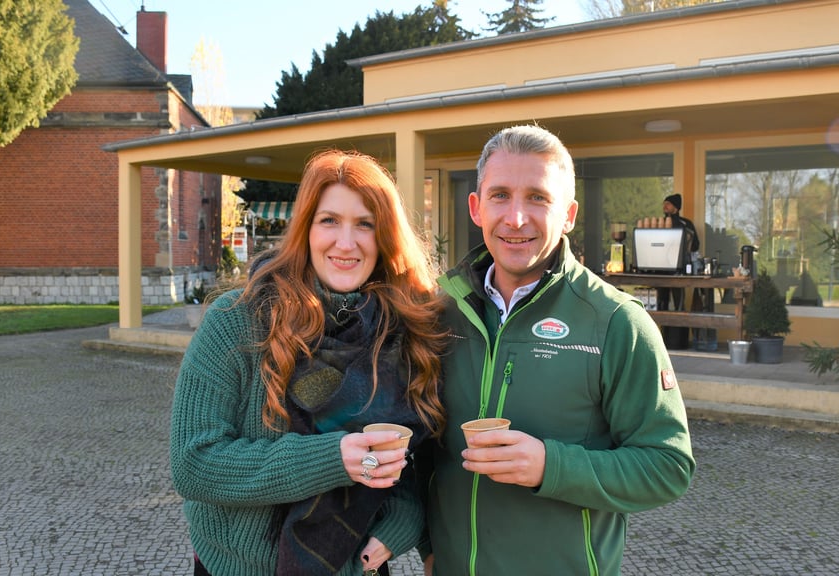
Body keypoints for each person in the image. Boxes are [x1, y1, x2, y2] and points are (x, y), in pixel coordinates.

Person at [422, 125, 695, 575]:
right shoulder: (437, 313)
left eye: (538, 198)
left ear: (568, 214)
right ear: (476, 207)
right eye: (500, 195)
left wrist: (551, 466)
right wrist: (428, 546)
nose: (516, 218)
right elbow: (424, 450)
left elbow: (667, 466)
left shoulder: (616, 322)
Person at [170, 149, 449, 576]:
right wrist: (333, 459)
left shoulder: (400, 332)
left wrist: (400, 523)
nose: (346, 242)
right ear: (305, 229)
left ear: (385, 237)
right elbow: (194, 464)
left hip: (352, 565)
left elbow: (409, 459)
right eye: (329, 220)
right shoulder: (237, 320)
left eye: (365, 224)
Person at [656, 193, 701, 315]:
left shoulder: (685, 224)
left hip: (678, 269)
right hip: (660, 269)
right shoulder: (658, 223)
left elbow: (695, 245)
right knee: (660, 303)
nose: (665, 206)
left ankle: (679, 327)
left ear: (676, 207)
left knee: (679, 304)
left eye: (668, 204)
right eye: (664, 204)